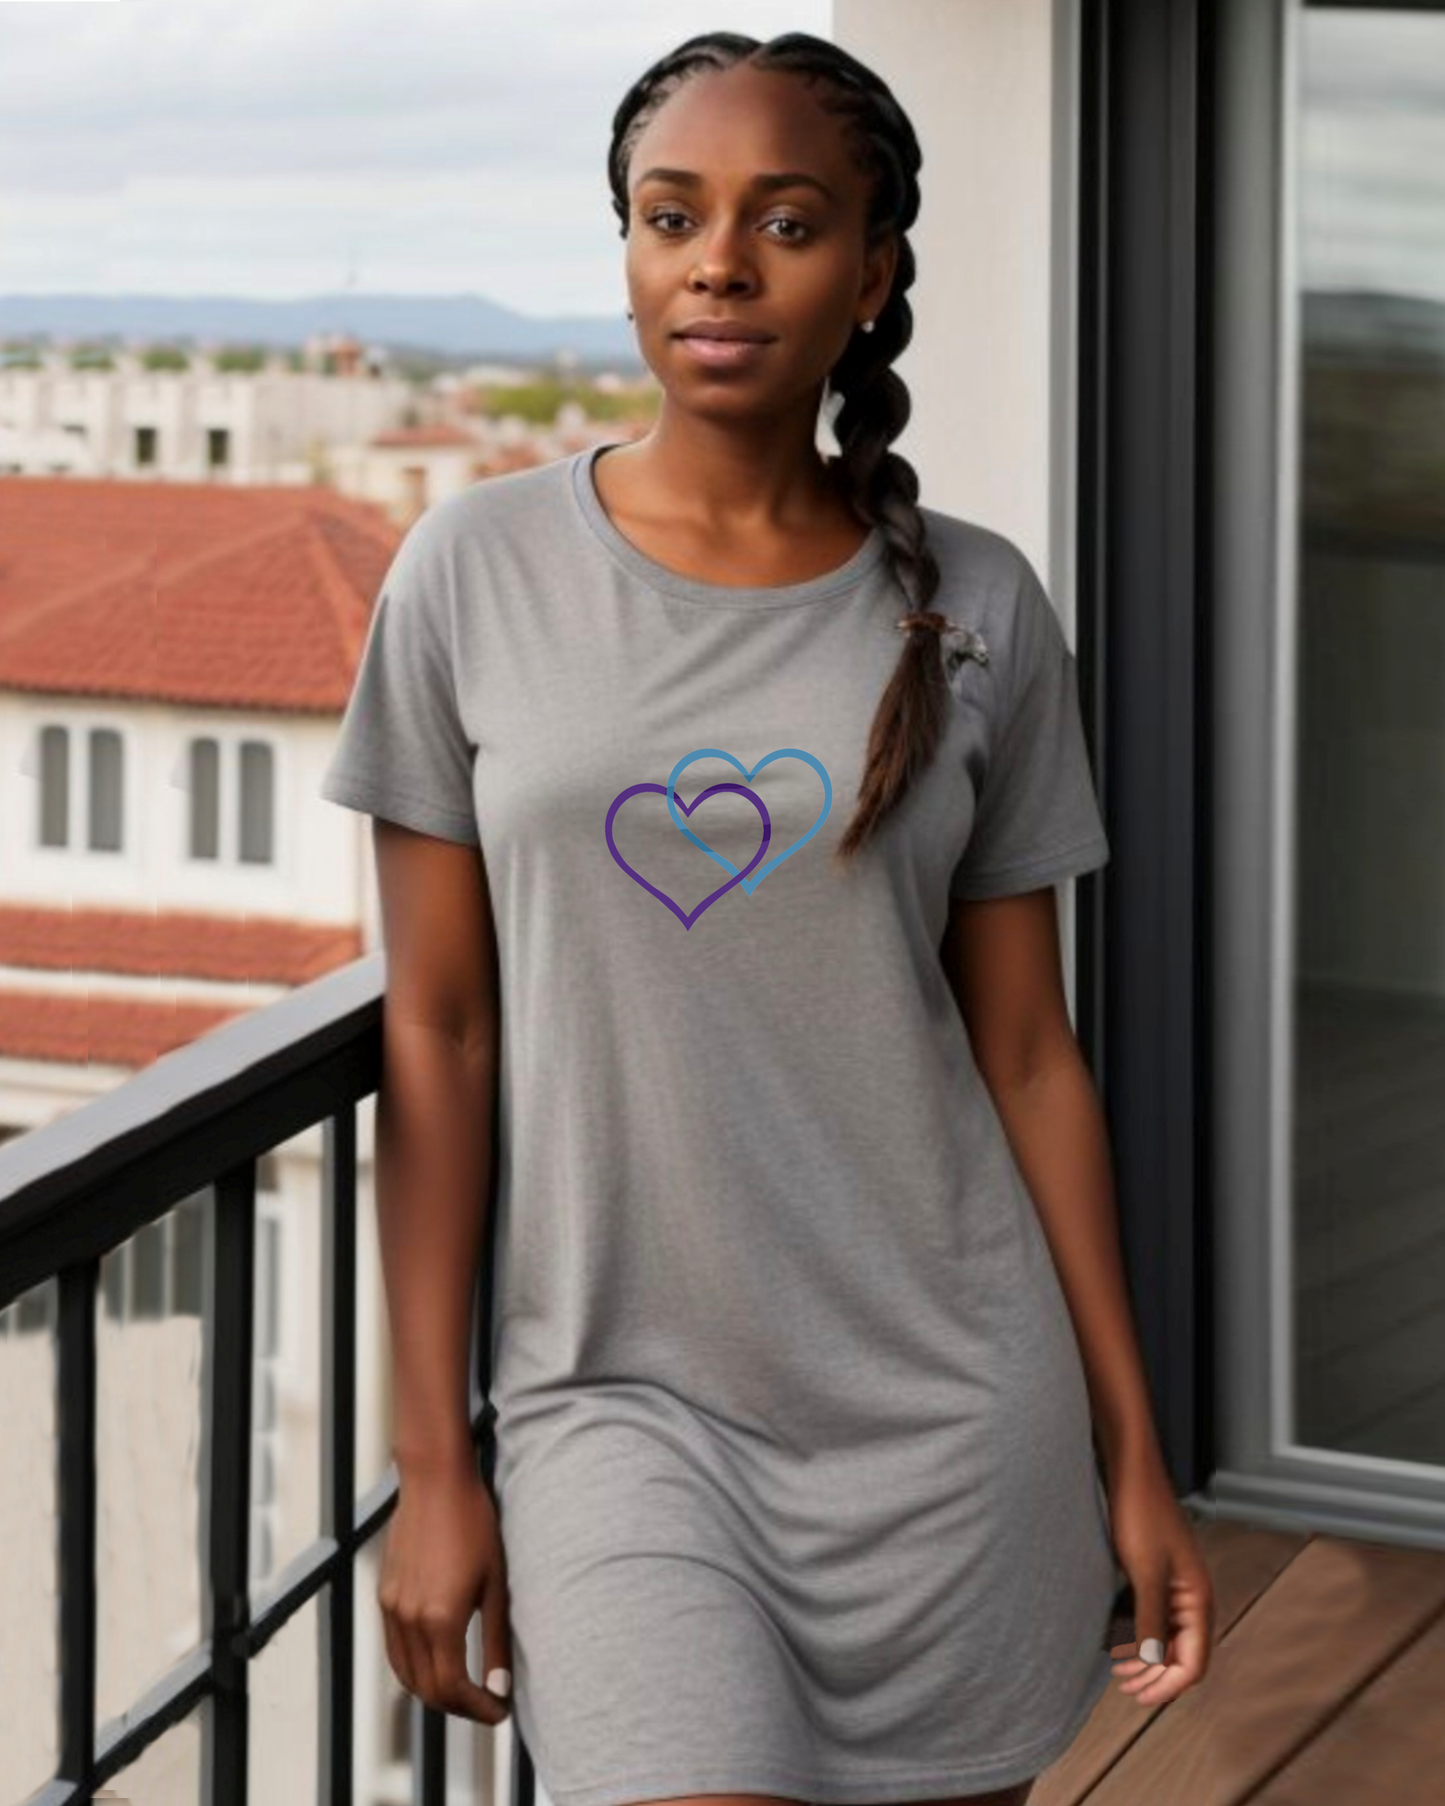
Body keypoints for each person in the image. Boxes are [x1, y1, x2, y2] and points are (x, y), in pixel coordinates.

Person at [318, 28, 1216, 1806]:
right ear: (631, 251)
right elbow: (441, 1026)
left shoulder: (977, 603)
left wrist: (1131, 1438)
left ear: (876, 274)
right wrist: (436, 1458)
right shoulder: (470, 572)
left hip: (953, 1419)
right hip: (616, 1410)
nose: (719, 260)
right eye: (673, 216)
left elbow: (1029, 1055)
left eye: (787, 222)